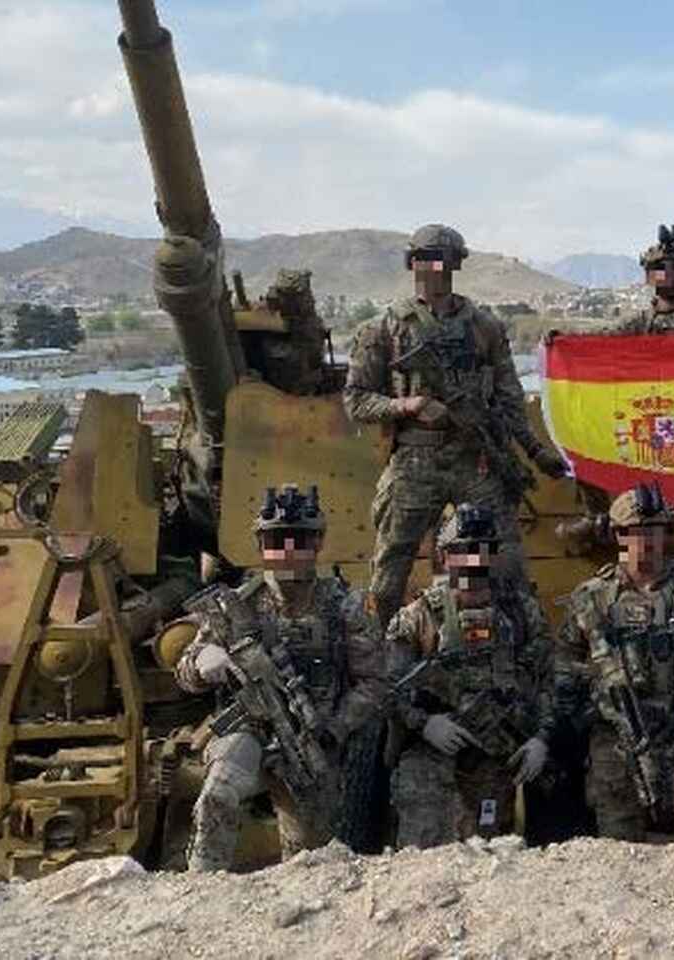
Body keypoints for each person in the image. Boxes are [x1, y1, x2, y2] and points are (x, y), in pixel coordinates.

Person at [344, 223, 569, 629]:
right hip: (415, 459)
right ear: (412, 263)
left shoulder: (484, 327)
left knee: (507, 561)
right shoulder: (384, 329)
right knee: (391, 565)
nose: (436, 269)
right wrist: (407, 405)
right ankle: (374, 647)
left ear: (456, 264)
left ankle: (524, 641)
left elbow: (509, 400)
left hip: (475, 458)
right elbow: (356, 399)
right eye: (427, 259)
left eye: (444, 260)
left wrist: (535, 452)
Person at [175, 485, 387, 872]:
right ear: (261, 545)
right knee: (218, 794)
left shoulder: (345, 606)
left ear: (318, 543)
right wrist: (202, 661)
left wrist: (334, 729)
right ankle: (201, 886)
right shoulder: (237, 604)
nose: (288, 551)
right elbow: (185, 672)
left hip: (311, 746)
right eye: (276, 541)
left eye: (299, 540)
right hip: (249, 731)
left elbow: (373, 684)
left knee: (309, 859)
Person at [556, 485, 674, 840]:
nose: (645, 541)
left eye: (654, 531)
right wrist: (595, 694)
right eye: (634, 532)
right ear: (619, 535)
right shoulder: (591, 598)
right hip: (617, 740)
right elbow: (563, 660)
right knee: (617, 838)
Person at [385, 503, 555, 848]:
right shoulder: (418, 617)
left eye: (482, 550)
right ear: (445, 557)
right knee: (424, 852)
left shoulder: (523, 613)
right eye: (463, 551)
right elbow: (385, 687)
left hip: (497, 758)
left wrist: (541, 739)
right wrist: (424, 723)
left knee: (491, 852)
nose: (473, 560)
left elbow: (549, 681)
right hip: (432, 759)